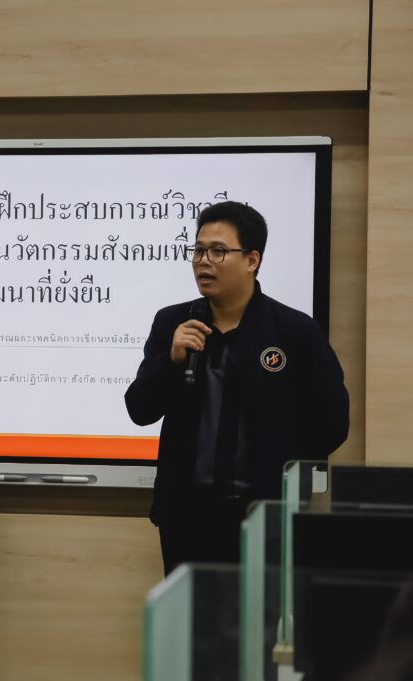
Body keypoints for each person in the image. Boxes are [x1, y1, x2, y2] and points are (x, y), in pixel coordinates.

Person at [124, 201, 349, 575]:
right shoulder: (173, 323)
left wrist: (279, 472)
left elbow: (332, 422)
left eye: (218, 251)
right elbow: (140, 409)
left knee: (262, 612)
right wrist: (172, 362)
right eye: (198, 250)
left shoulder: (294, 331)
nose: (203, 262)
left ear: (251, 260)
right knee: (190, 614)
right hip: (186, 520)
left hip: (267, 519)